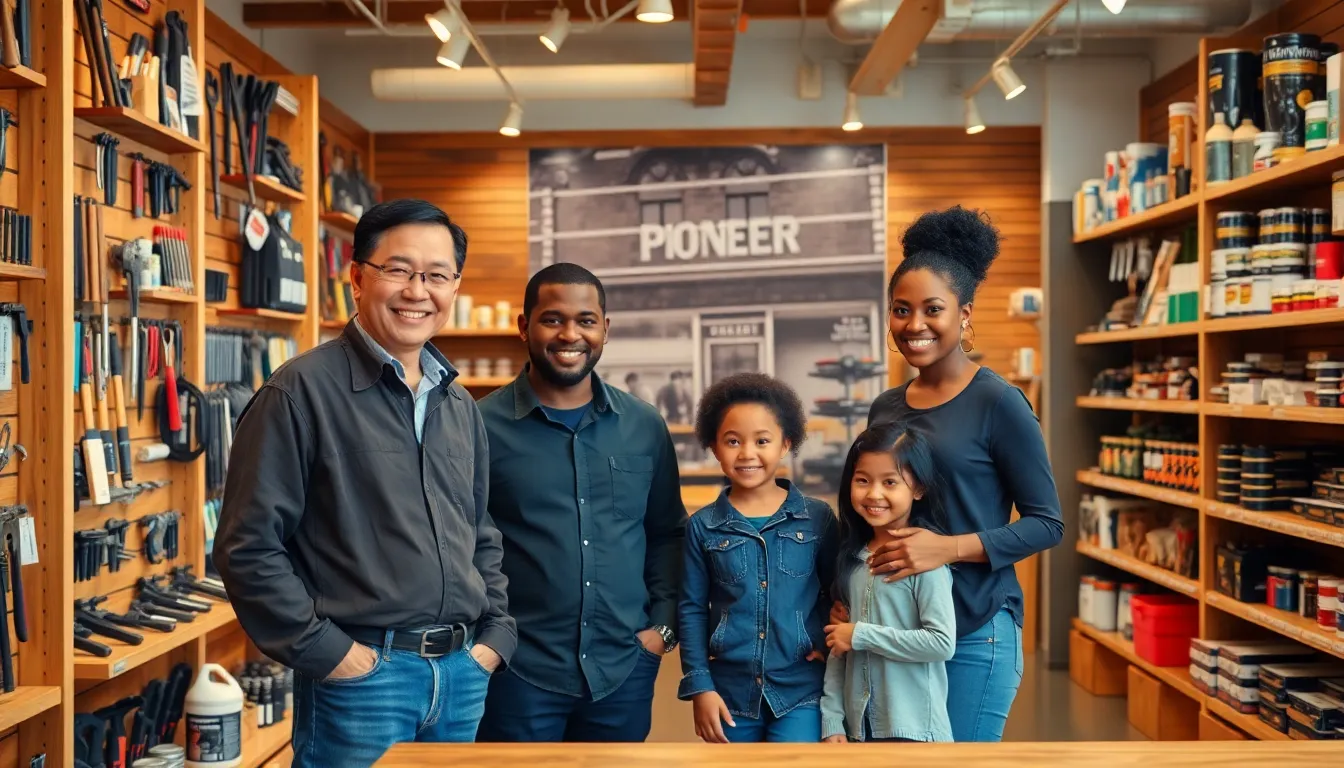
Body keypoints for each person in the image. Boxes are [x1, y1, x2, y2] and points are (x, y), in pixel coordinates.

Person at [213, 199, 515, 767]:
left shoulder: (456, 402)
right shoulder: (298, 394)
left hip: (462, 677)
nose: (417, 291)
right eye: (398, 270)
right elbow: (248, 548)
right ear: (357, 278)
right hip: (362, 681)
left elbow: (480, 531)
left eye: (437, 276)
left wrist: (493, 639)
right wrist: (332, 655)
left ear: (454, 287)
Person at [832, 205, 1063, 743]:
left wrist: (946, 548)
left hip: (975, 631)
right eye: (901, 309)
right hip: (894, 631)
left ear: (963, 313)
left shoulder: (999, 402)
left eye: (932, 309)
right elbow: (872, 516)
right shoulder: (886, 409)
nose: (915, 325)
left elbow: (1047, 523)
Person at [476, 262, 687, 742]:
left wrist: (662, 630)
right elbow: (460, 545)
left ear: (605, 329)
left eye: (586, 321)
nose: (570, 334)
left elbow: (668, 533)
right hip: (516, 672)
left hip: (623, 671)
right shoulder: (478, 427)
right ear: (523, 326)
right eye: (552, 319)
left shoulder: (643, 425)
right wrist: (486, 647)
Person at [678, 372, 836, 744]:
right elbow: (691, 609)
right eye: (732, 441)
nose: (747, 454)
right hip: (729, 695)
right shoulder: (703, 527)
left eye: (762, 441)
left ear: (786, 443)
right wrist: (700, 687)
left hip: (802, 692)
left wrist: (823, 639)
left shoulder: (817, 518)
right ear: (714, 447)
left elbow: (837, 591)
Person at [820, 423, 954, 744]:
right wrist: (832, 720)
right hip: (859, 734)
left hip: (918, 735)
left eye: (890, 482)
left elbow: (941, 643)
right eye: (862, 480)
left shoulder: (925, 563)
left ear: (918, 488)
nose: (874, 494)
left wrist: (861, 634)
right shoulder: (850, 561)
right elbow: (841, 646)